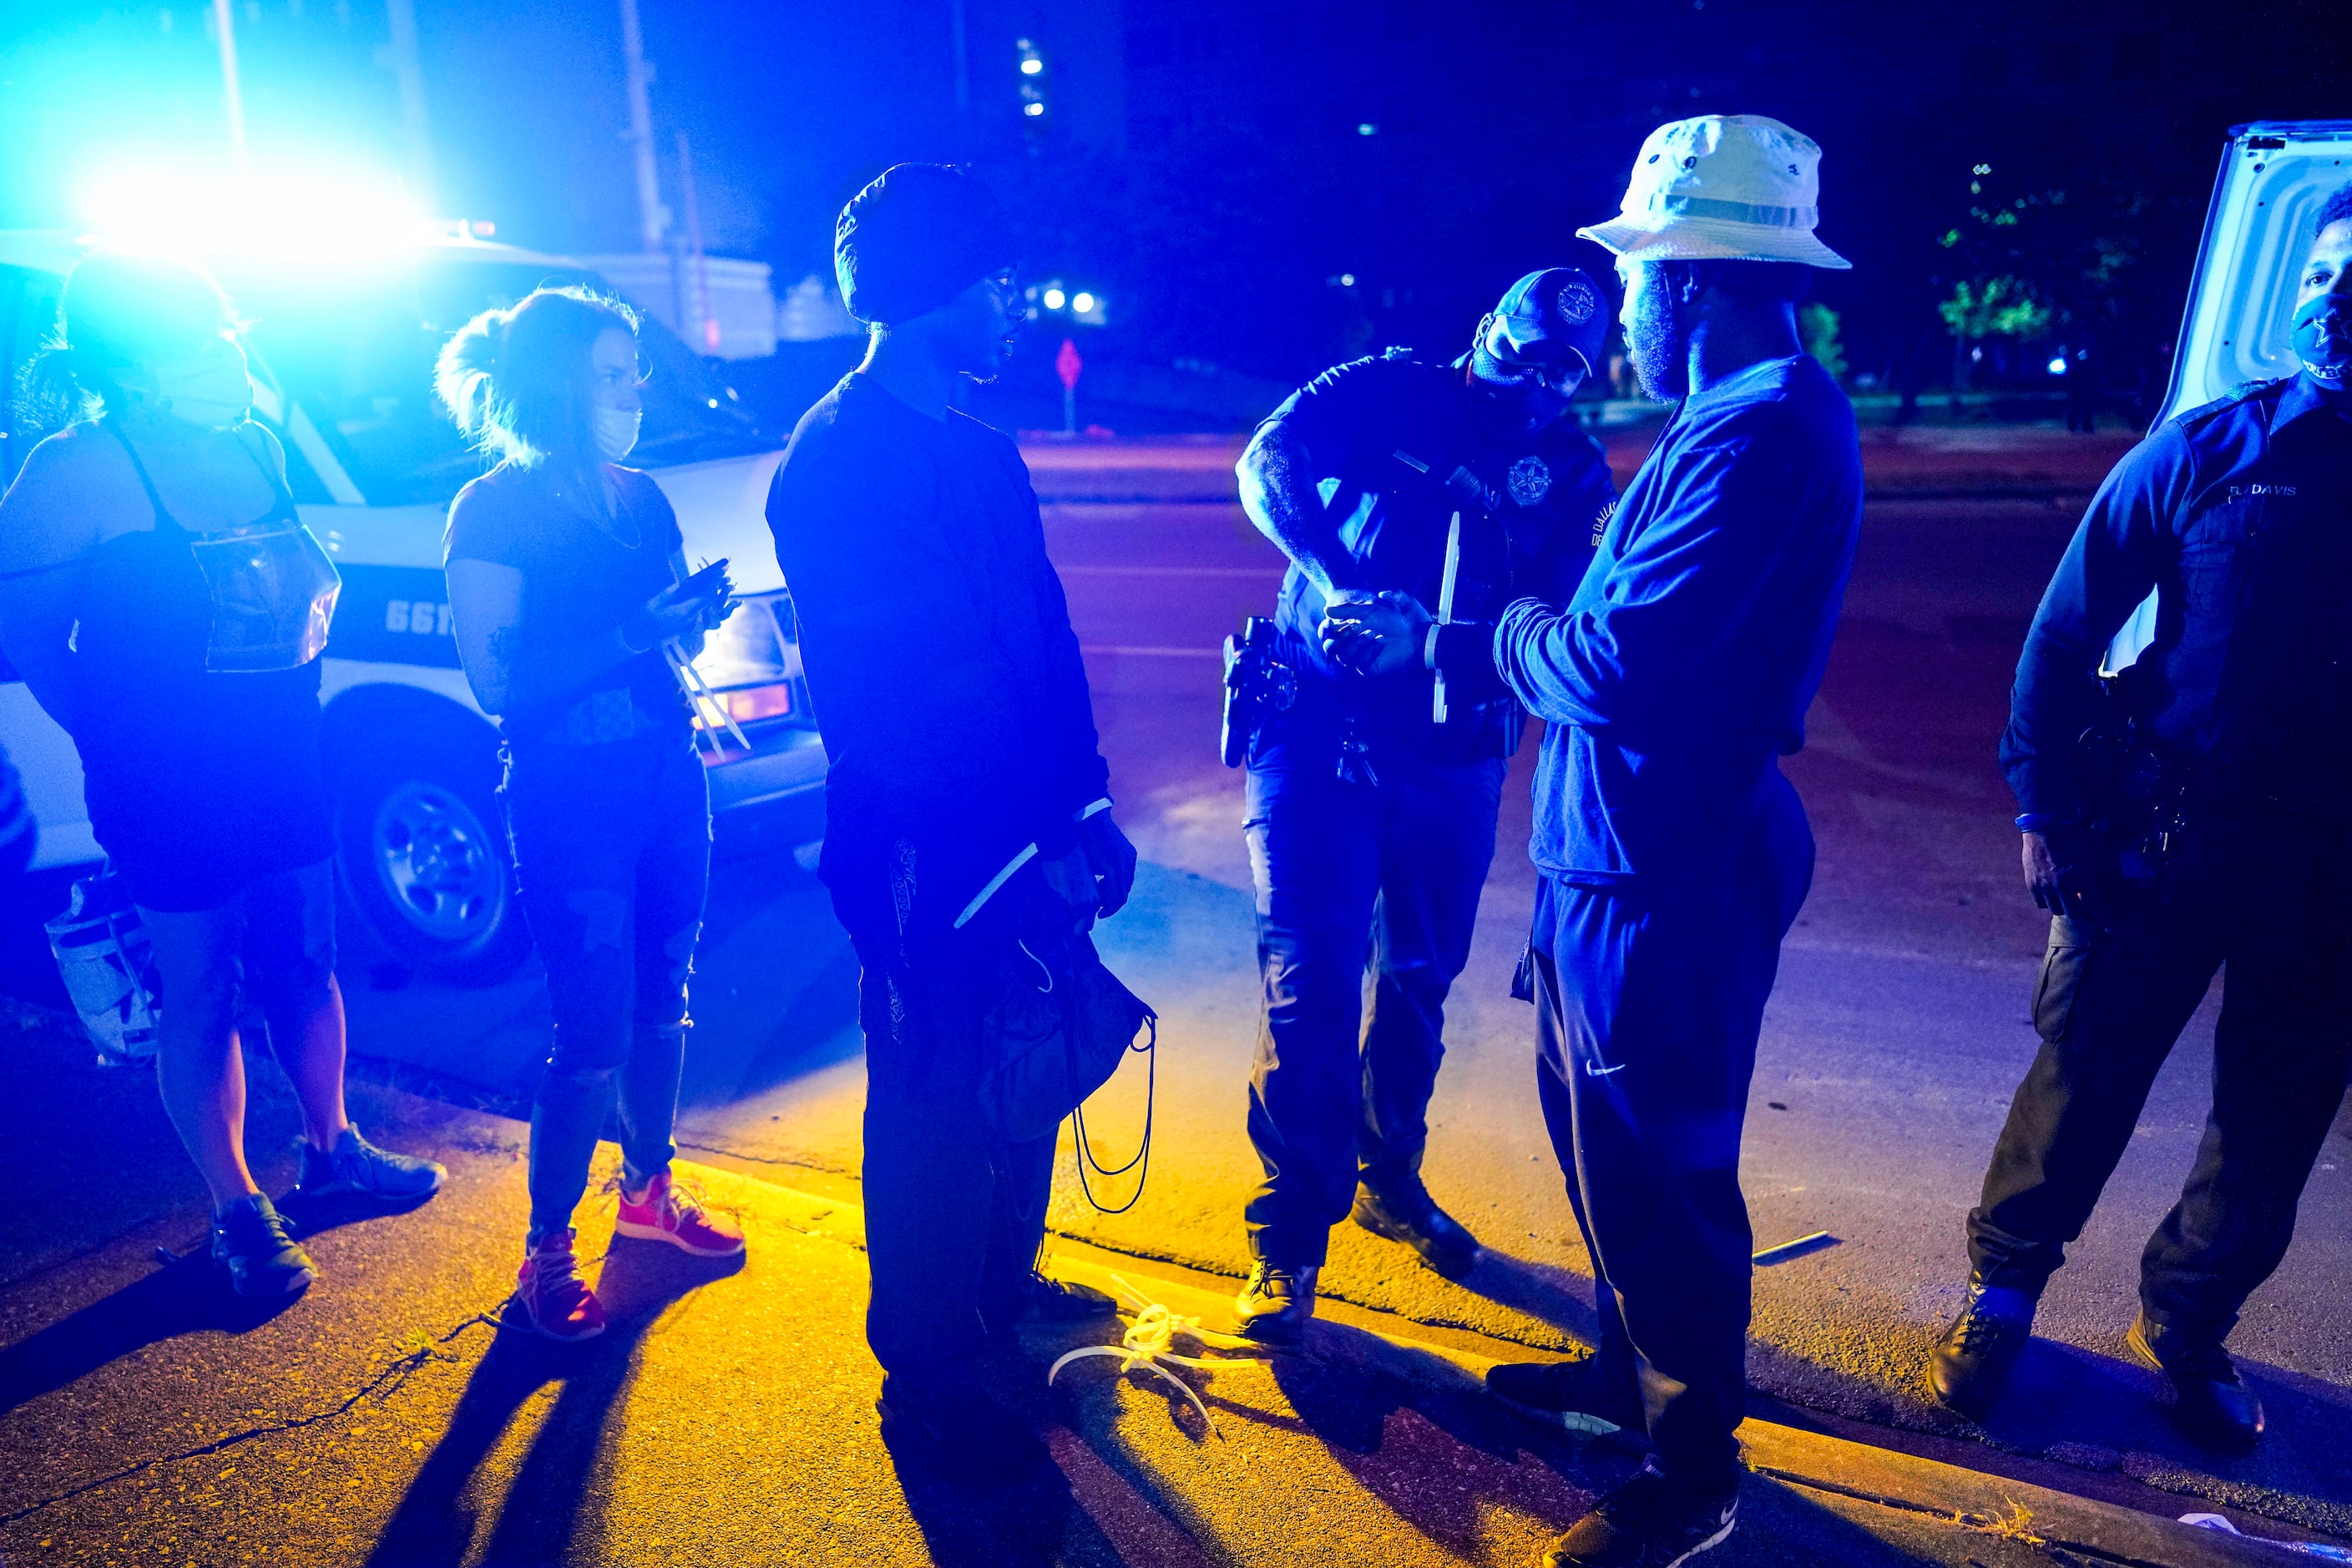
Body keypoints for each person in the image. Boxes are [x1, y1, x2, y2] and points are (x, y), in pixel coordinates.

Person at [1477, 117, 1863, 1568]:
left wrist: (1498, 631)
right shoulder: (1726, 420)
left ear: (1691, 282)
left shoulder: (1766, 431)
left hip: (1668, 873)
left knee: (1667, 1175)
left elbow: (1617, 662)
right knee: (1606, 1159)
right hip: (1617, 861)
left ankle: (1692, 1468)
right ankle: (1621, 1381)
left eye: (1634, 277)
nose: (1619, 308)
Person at [1927, 182, 2352, 1453]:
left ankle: (2185, 1325)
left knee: (2274, 1117)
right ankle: (2000, 1296)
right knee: (2082, 1074)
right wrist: (2042, 803)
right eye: (2322, 273)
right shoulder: (2212, 449)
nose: (2334, 297)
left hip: (2333, 867)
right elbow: (2065, 632)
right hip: (2169, 836)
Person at [763, 164, 1130, 1484]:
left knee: (1021, 1066)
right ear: (932, 292)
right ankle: (925, 1374)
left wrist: (1083, 804)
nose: (1013, 308)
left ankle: (997, 1298)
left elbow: (1040, 635)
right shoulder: (840, 459)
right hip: (925, 845)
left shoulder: (979, 445)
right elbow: (918, 691)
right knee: (930, 1099)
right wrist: (1036, 836)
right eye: (996, 284)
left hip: (1023, 832)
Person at [0, 253, 444, 1297]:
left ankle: (333, 1154)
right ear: (130, 362)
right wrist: (114, 741)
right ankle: (238, 1213)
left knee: (306, 959)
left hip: (281, 753)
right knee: (201, 994)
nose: (221, 351)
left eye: (220, 328)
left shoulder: (253, 441)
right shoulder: (76, 471)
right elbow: (27, 639)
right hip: (163, 780)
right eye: (191, 337)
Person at [1224, 271, 1616, 1343]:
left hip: (1454, 760)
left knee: (1417, 986)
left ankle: (1391, 1176)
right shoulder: (1388, 386)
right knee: (1309, 985)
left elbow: (1574, 629)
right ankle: (1287, 1241)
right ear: (1485, 324)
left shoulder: (1578, 474)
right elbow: (1268, 463)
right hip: (1317, 737)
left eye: (1565, 370)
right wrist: (1331, 576)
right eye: (1523, 350)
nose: (1536, 382)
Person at [438, 287, 746, 1343]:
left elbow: (667, 637)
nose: (633, 393)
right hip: (570, 801)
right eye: (613, 377)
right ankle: (546, 1252)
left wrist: (690, 622)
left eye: (635, 375)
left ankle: (650, 1194)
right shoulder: (492, 508)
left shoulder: (642, 497)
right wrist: (632, 630)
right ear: (558, 389)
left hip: (669, 774)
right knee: (593, 1034)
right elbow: (498, 680)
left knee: (668, 997)